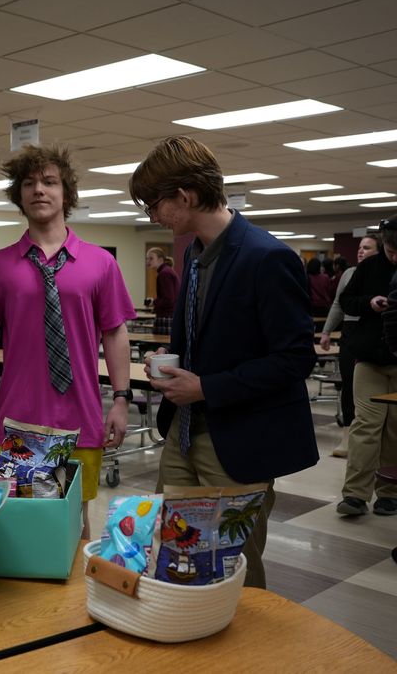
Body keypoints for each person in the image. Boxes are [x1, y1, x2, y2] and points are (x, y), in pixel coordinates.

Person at [132, 135, 318, 588]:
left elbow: (295, 359)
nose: (151, 216)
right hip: (183, 432)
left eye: (153, 204)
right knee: (169, 551)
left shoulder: (266, 257)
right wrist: (174, 361)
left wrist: (206, 386)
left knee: (233, 567)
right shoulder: (195, 256)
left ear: (185, 195)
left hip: (239, 439)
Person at [0, 144, 134, 539]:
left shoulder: (100, 263)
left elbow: (114, 333)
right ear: (19, 196)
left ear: (65, 194)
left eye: (49, 182)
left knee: (77, 526)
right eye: (29, 183)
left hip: (81, 420)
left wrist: (121, 400)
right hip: (14, 421)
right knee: (11, 526)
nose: (39, 189)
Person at [338, 219, 397, 517]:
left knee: (395, 429)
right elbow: (347, 300)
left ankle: (389, 493)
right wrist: (369, 303)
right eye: (390, 250)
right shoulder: (369, 267)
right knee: (366, 426)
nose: (394, 257)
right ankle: (355, 494)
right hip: (370, 359)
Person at [321, 236, 380, 457]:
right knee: (348, 383)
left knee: (368, 387)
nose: (361, 251)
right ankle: (347, 435)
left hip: (372, 333)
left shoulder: (381, 274)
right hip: (349, 331)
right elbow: (338, 303)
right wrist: (326, 332)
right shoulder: (349, 273)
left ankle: (370, 438)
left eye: (367, 248)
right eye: (359, 248)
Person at [145, 247, 179, 335]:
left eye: (151, 258)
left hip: (166, 316)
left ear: (160, 260)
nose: (148, 261)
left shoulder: (164, 273)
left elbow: (168, 300)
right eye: (147, 258)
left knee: (161, 346)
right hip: (170, 315)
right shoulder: (167, 271)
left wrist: (154, 303)